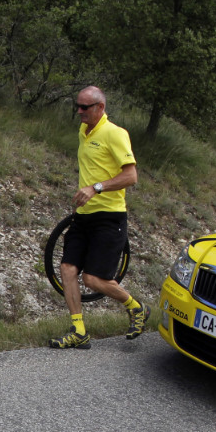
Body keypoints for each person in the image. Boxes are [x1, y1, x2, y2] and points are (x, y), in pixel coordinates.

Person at [49, 85, 149, 349]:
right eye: (77, 106)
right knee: (68, 269)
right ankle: (79, 331)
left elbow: (131, 176)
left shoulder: (115, 134)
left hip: (109, 217)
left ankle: (136, 307)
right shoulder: (84, 131)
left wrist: (96, 188)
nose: (79, 111)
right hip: (83, 216)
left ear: (100, 108)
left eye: (84, 107)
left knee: (93, 280)